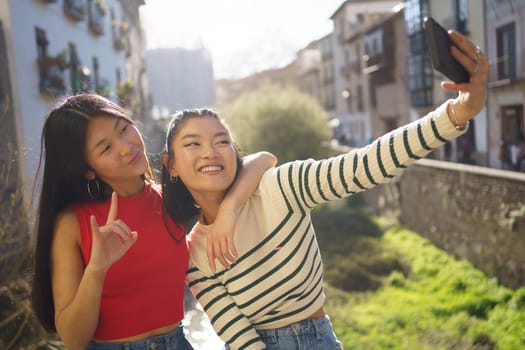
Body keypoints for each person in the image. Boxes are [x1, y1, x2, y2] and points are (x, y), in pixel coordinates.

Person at [161, 30, 488, 350]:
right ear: (171, 165)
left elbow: (367, 165)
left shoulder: (279, 187)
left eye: (222, 141)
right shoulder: (195, 255)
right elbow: (237, 336)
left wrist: (458, 112)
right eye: (193, 144)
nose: (211, 152)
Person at [30, 93, 276, 350]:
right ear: (86, 168)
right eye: (106, 148)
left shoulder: (172, 197)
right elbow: (73, 339)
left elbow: (263, 161)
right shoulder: (73, 223)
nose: (126, 147)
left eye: (124, 129)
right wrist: (96, 270)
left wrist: (229, 211)